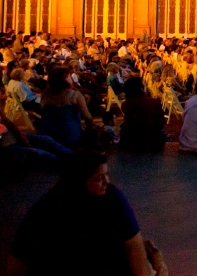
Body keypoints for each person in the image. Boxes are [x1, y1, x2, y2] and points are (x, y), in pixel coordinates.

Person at [8, 151, 154, 276]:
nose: (106, 182)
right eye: (98, 179)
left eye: (106, 175)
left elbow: (134, 246)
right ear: (78, 181)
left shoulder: (113, 198)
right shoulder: (49, 207)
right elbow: (20, 256)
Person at [39, 67, 92, 148]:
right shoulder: (75, 95)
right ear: (64, 79)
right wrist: (89, 129)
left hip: (49, 135)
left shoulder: (45, 95)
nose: (71, 77)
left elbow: (44, 114)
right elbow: (87, 117)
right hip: (70, 135)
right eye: (68, 76)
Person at [119, 76, 167, 153]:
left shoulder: (125, 105)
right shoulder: (153, 102)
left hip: (131, 142)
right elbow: (161, 122)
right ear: (141, 88)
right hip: (152, 142)